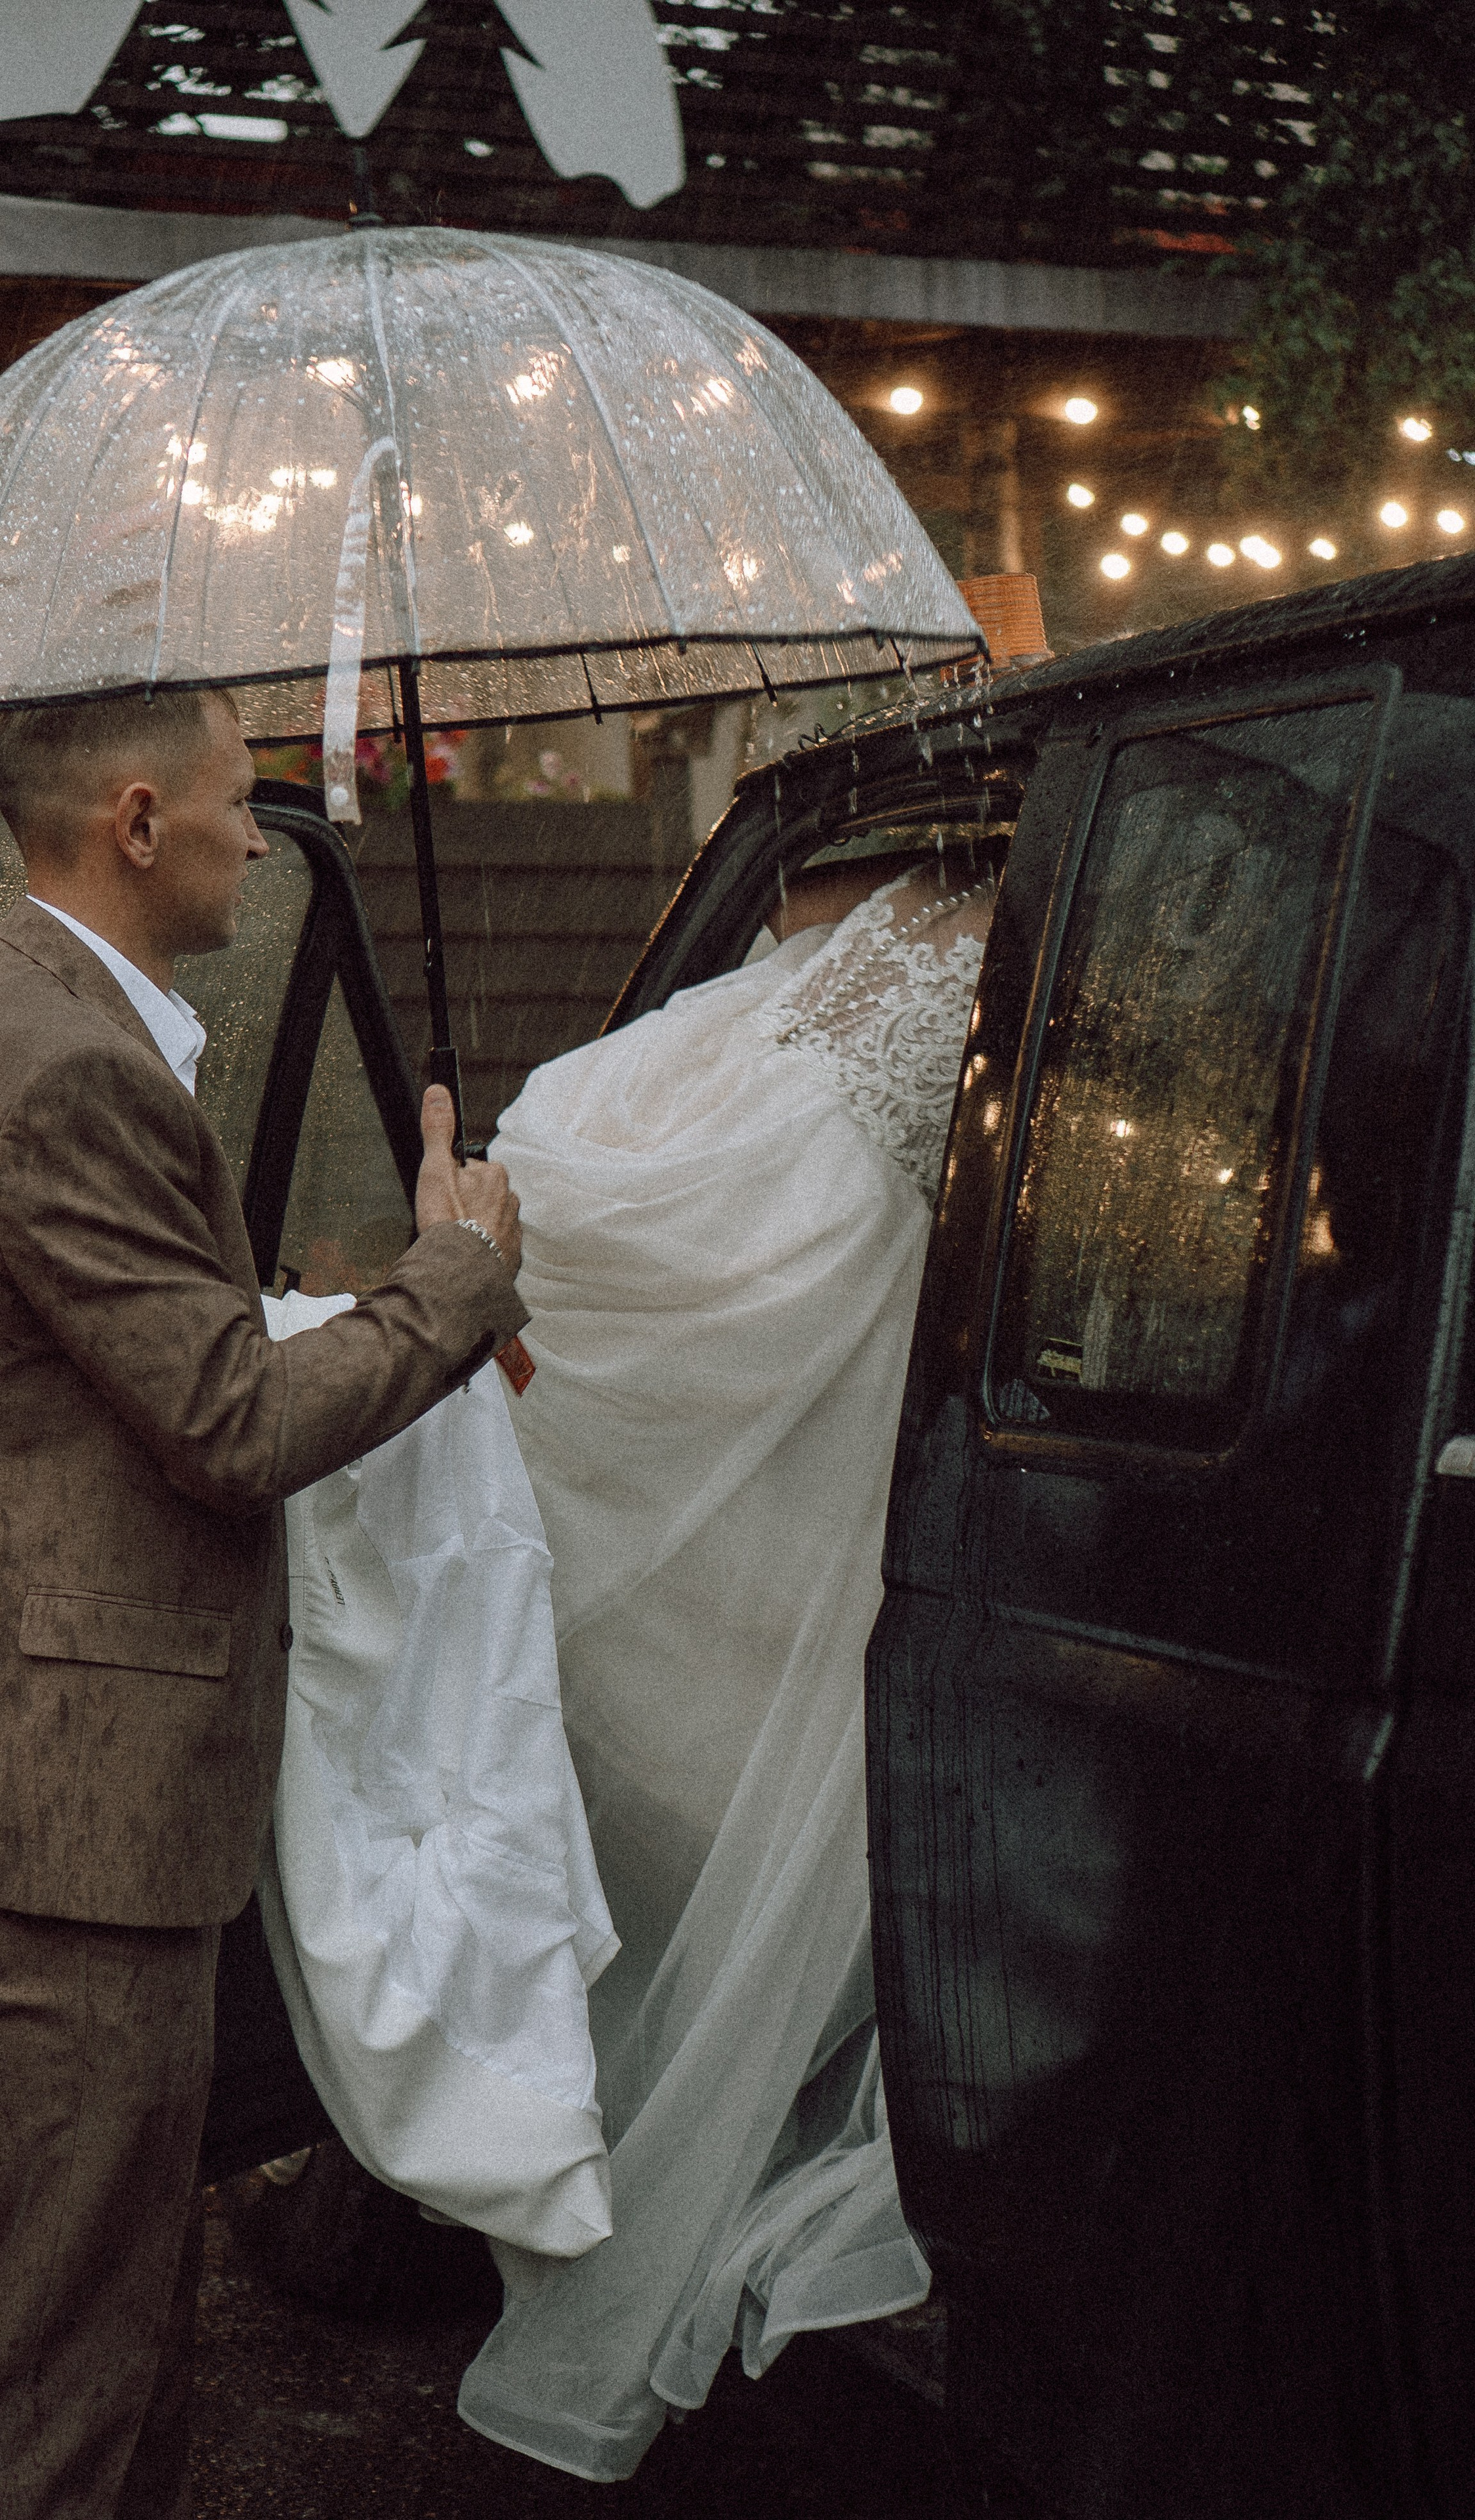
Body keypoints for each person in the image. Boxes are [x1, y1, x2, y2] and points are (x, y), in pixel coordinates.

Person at [0, 686, 526, 2520]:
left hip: (62, 1789)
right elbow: (225, 1420)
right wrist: (454, 1286)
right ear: (136, 822)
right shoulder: (58, 1065)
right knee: (60, 2366)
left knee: (118, 2322)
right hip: (71, 1813)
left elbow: (120, 1369)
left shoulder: (39, 1030)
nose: (256, 828)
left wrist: (347, 1299)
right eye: (235, 797)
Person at [455, 842, 998, 2481]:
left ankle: (587, 2165)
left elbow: (569, 1190)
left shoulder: (631, 1081)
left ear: (795, 892)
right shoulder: (978, 1000)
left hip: (725, 1617)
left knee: (644, 1868)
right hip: (851, 1587)